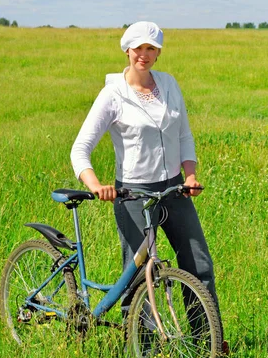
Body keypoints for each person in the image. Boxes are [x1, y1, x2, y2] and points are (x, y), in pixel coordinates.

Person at [70, 21, 220, 317]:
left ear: (158, 52)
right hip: (133, 195)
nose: (144, 54)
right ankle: (144, 353)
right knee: (139, 277)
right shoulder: (113, 94)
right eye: (138, 47)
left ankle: (206, 346)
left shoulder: (169, 85)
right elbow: (80, 149)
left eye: (151, 48)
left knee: (198, 265)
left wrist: (190, 175)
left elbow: (184, 136)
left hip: (174, 191)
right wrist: (96, 185)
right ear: (127, 50)